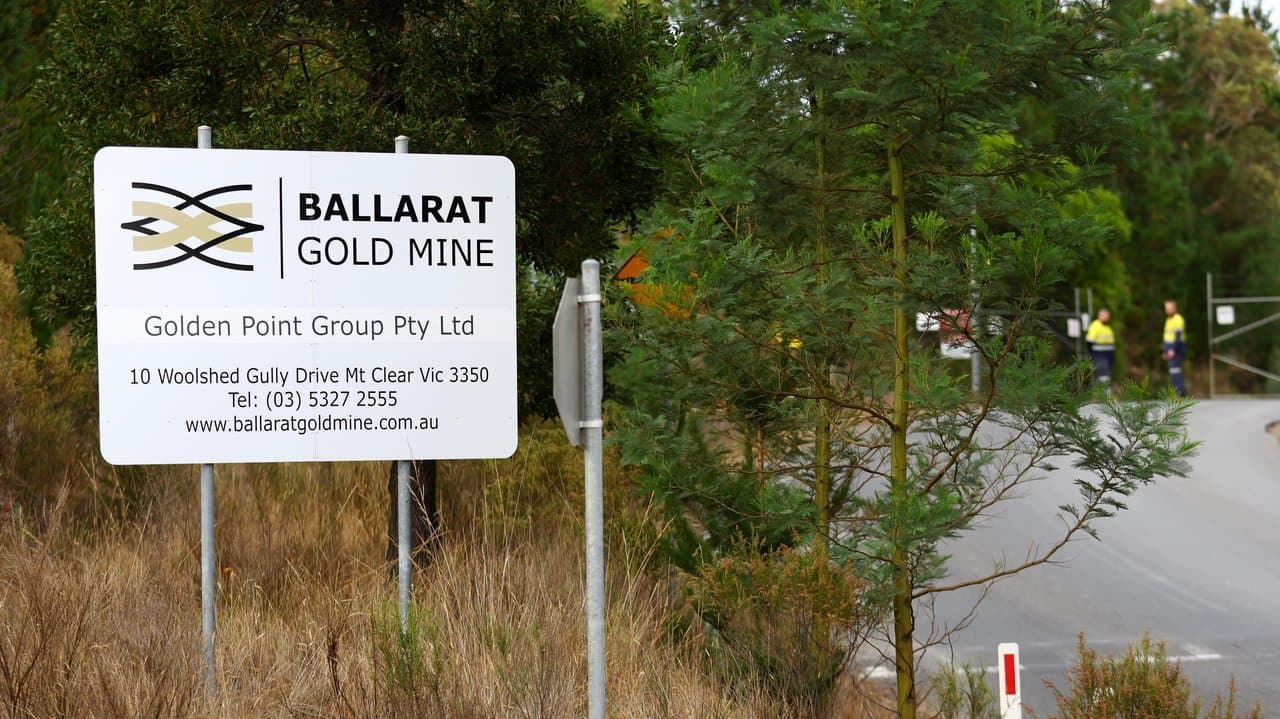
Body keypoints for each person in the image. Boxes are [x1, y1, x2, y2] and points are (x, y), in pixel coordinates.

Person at [1085, 308, 1115, 396]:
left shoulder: (1107, 327)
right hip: (1099, 354)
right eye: (1104, 315)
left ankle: (1104, 394)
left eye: (1107, 315)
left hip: (1108, 355)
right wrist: (1091, 353)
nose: (1106, 317)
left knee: (1106, 374)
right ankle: (1107, 396)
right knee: (1103, 374)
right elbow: (1089, 340)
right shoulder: (1095, 325)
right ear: (1099, 315)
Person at [1162, 300, 1188, 397]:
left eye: (1169, 308)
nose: (1167, 310)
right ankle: (1179, 390)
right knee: (1173, 370)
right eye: (1166, 308)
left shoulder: (1178, 319)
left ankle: (1180, 391)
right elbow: (1167, 336)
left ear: (1174, 308)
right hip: (1169, 347)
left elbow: (1177, 336)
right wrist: (1165, 351)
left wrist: (1173, 350)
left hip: (1176, 347)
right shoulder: (1168, 319)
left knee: (1175, 369)